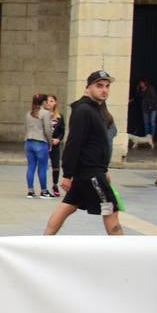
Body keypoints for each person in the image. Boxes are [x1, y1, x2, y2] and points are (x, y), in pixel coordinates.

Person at [44, 70, 124, 236]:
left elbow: (97, 144)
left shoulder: (95, 110)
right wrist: (67, 174)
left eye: (107, 86)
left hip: (91, 172)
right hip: (90, 173)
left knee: (68, 206)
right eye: (99, 86)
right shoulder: (84, 111)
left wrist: (104, 169)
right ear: (88, 88)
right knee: (111, 210)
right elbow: (74, 143)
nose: (104, 90)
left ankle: (44, 240)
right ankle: (122, 251)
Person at [23, 93, 54, 199]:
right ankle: (44, 191)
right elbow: (47, 130)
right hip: (40, 142)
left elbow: (26, 128)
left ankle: (30, 191)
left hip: (28, 142)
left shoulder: (28, 113)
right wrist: (50, 142)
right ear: (44, 102)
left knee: (31, 166)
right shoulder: (45, 113)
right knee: (42, 168)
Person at [45, 94, 64, 196]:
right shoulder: (41, 114)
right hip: (44, 144)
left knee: (56, 166)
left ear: (55, 103)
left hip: (55, 144)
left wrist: (58, 139)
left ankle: (55, 184)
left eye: (51, 101)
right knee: (43, 166)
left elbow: (62, 131)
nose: (49, 103)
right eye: (47, 101)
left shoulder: (59, 116)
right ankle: (43, 188)